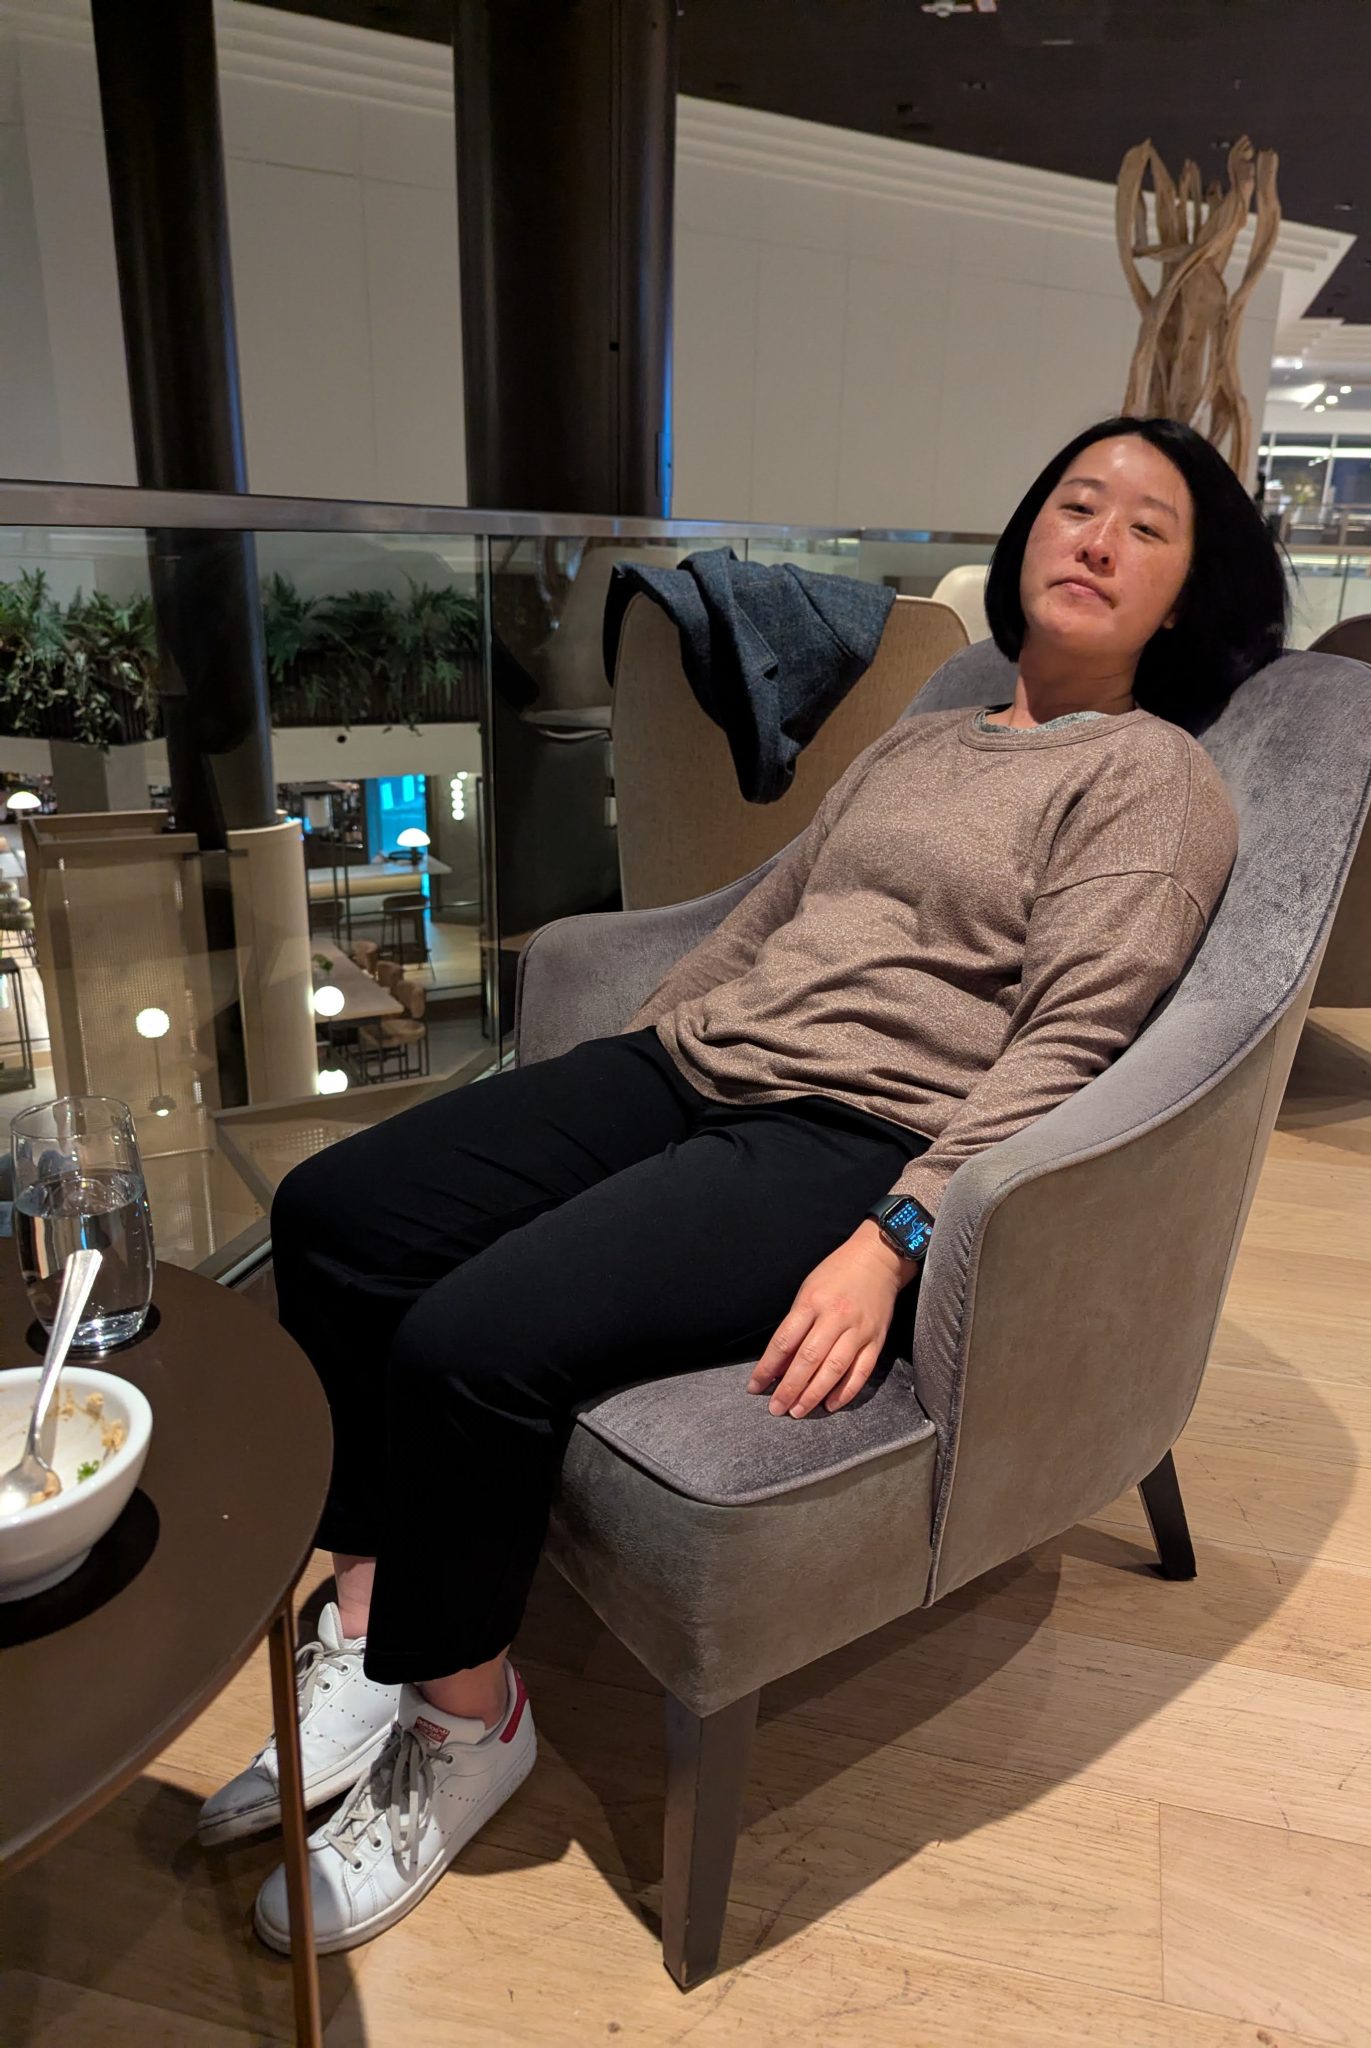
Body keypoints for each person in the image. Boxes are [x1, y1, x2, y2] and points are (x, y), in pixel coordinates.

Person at [201, 414, 1287, 1955]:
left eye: (1146, 527)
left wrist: (895, 1234)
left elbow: (1074, 1044)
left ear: (1184, 596)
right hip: (695, 1068)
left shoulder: (1150, 778)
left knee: (470, 1344)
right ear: (1028, 532)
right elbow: (768, 915)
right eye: (1075, 502)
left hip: (853, 1132)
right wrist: (617, 1080)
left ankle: (464, 1722)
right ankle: (374, 1609)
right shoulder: (925, 738)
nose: (1096, 538)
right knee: (336, 1217)